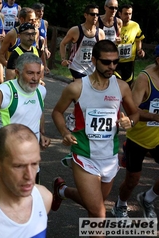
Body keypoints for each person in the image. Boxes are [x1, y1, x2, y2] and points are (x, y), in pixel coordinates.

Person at [50, 41, 139, 234]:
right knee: (99, 212)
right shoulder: (77, 88)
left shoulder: (122, 87)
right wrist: (65, 132)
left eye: (115, 62)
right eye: (106, 62)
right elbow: (57, 112)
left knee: (93, 204)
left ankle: (62, 191)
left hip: (109, 156)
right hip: (84, 154)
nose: (112, 67)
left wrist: (129, 123)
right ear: (93, 60)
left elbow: (135, 114)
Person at [0, 53, 50, 180]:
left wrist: (41, 134)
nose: (35, 78)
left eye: (38, 73)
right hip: (4, 160)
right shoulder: (4, 92)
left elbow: (36, 113)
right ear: (17, 72)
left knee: (29, 199)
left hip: (30, 160)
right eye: (30, 73)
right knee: (2, 200)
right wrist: (2, 138)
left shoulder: (41, 91)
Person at [112, 45, 159, 221]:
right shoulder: (145, 79)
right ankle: (120, 204)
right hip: (138, 137)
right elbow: (133, 110)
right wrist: (155, 116)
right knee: (132, 180)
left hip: (158, 138)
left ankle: (147, 199)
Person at [60, 4, 105, 79]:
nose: (95, 16)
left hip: (92, 69)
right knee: (81, 87)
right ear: (85, 15)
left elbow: (102, 51)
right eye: (92, 14)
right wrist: (63, 59)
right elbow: (63, 44)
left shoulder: (100, 33)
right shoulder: (76, 30)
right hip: (76, 67)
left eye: (97, 14)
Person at [115, 4, 145, 87]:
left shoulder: (135, 26)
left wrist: (139, 50)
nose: (128, 16)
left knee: (128, 84)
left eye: (130, 14)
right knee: (116, 84)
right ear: (119, 14)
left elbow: (138, 39)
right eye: (125, 14)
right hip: (115, 61)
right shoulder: (113, 25)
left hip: (129, 61)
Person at [33, 3, 51, 74]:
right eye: (38, 11)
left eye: (42, 11)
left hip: (40, 53)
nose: (41, 13)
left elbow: (45, 37)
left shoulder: (45, 23)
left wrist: (46, 48)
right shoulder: (31, 23)